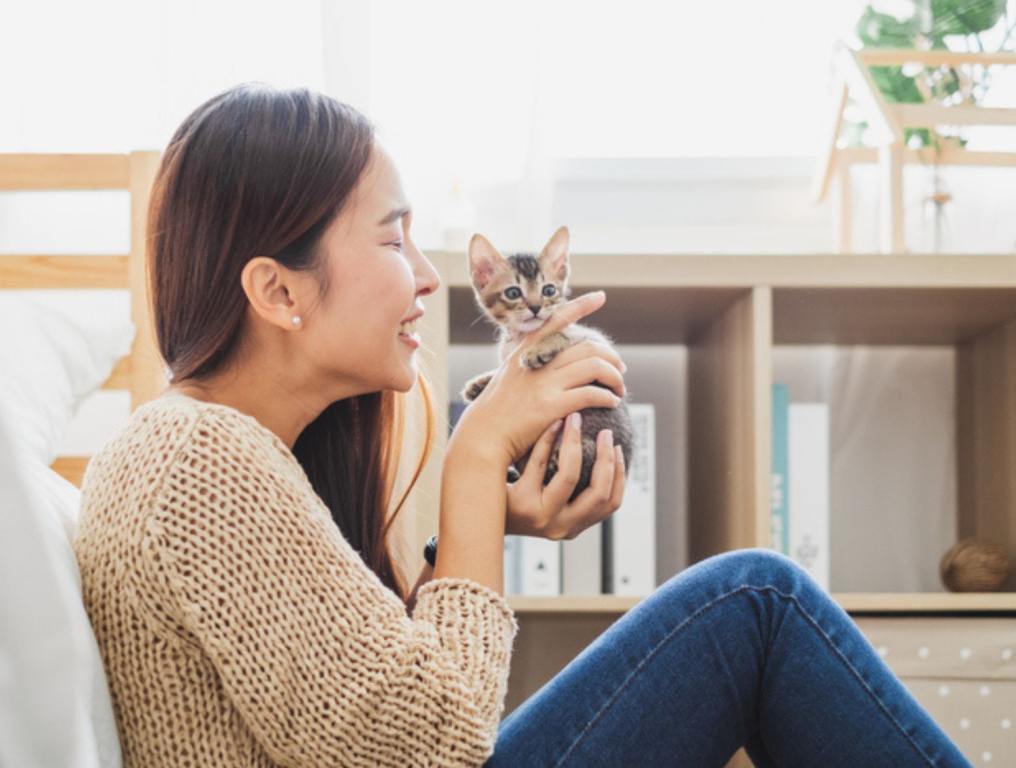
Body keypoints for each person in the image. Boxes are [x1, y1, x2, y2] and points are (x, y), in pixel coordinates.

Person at [72, 83, 971, 767]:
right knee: (756, 604)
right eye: (393, 240)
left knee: (756, 603)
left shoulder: (233, 458)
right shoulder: (193, 457)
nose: (428, 277)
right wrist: (476, 462)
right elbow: (429, 745)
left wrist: (481, 521)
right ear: (277, 290)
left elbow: (369, 691)